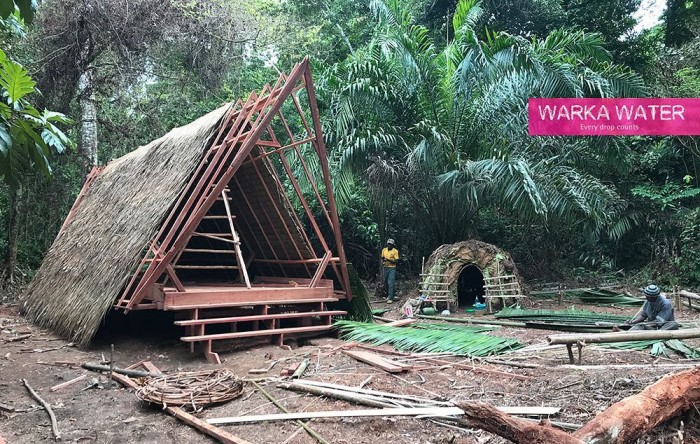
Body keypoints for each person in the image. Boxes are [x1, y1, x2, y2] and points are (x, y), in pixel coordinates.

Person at [381, 239, 400, 304]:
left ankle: (391, 298)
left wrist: (389, 260)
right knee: (385, 282)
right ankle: (389, 295)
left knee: (391, 283)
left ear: (392, 245)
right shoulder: (384, 250)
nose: (389, 245)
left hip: (392, 268)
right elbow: (382, 258)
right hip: (385, 268)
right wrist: (384, 261)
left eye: (390, 244)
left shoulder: (395, 251)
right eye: (388, 244)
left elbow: (396, 261)